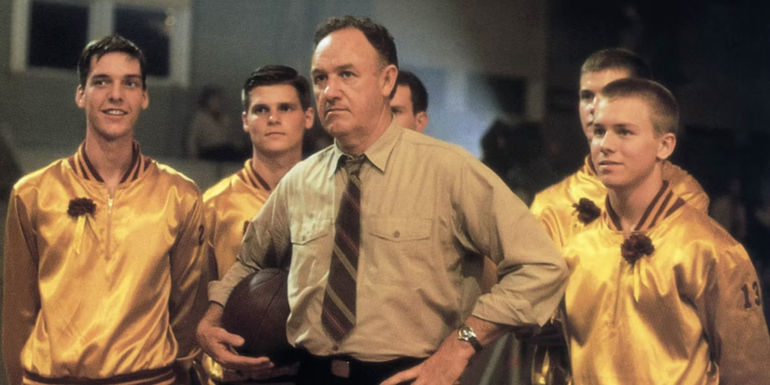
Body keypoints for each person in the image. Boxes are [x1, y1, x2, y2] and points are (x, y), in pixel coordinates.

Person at [196, 15, 568, 385]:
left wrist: (463, 344)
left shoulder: (449, 171)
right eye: (320, 78)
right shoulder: (300, 181)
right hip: (312, 374)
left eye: (347, 74)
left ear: (387, 80)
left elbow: (540, 266)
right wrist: (213, 317)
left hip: (412, 376)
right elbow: (249, 261)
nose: (330, 91)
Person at [2, 35, 208, 385]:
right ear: (81, 94)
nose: (116, 95)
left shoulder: (180, 194)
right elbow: (18, 310)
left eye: (130, 83)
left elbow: (188, 311)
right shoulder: (33, 193)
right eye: (101, 82)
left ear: (144, 97)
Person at [563, 77, 770, 384]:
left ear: (665, 145)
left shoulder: (708, 248)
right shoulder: (577, 249)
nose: (605, 145)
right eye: (598, 131)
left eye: (624, 132)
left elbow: (748, 372)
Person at [196, 65, 314, 384]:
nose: (273, 118)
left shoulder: (329, 198)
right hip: (231, 375)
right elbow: (193, 302)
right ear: (245, 121)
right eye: (261, 109)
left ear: (308, 117)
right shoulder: (213, 205)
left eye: (285, 108)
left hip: (314, 374)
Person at [530, 48, 709, 250]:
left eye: (612, 92)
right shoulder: (550, 205)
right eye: (587, 96)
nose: (596, 106)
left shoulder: (684, 193)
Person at [187, 86, 244, 162]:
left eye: (219, 100)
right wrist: (193, 155)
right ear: (207, 101)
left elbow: (231, 136)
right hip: (208, 150)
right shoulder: (200, 117)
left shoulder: (225, 118)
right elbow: (192, 138)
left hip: (225, 149)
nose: (217, 103)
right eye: (213, 100)